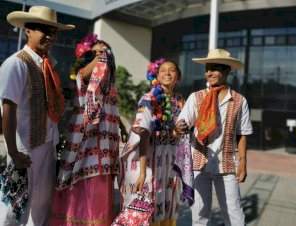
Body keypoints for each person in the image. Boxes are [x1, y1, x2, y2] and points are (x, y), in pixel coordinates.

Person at [0, 6, 75, 225]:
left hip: (47, 143)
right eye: (43, 29)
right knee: (13, 206)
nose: (49, 36)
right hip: (25, 147)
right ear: (28, 31)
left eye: (53, 31)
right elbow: (8, 109)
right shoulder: (17, 63)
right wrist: (13, 152)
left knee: (41, 204)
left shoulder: (48, 64)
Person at [49, 34, 127, 225]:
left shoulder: (110, 83)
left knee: (101, 181)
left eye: (105, 52)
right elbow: (83, 75)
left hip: (106, 143)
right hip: (85, 139)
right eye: (98, 52)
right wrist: (99, 58)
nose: (103, 55)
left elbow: (112, 108)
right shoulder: (81, 77)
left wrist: (122, 127)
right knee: (81, 179)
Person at [175, 49, 253, 226]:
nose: (209, 73)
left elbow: (242, 133)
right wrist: (180, 127)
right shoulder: (196, 97)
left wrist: (243, 162)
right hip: (198, 163)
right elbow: (183, 121)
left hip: (226, 164)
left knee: (235, 215)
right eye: (207, 68)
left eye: (214, 68)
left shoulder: (239, 100)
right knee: (199, 216)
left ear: (226, 71)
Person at [117, 59, 186, 226]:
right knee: (148, 208)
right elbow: (144, 135)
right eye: (163, 70)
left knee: (168, 205)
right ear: (157, 75)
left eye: (172, 70)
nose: (167, 73)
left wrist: (177, 132)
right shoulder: (149, 99)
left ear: (178, 77)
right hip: (150, 162)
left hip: (171, 163)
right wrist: (142, 172)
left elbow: (180, 133)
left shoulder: (180, 100)